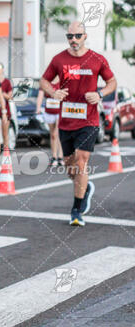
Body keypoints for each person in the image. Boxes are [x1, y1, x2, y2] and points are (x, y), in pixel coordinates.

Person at [40, 21, 116, 226]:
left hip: (88, 121)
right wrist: (53, 92)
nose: (73, 40)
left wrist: (99, 94)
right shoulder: (59, 59)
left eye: (77, 36)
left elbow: (112, 82)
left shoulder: (97, 59)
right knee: (70, 167)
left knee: (82, 162)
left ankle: (76, 210)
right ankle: (85, 188)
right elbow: (44, 81)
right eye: (69, 36)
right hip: (66, 122)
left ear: (85, 36)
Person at [36, 77, 64, 166]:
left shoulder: (62, 82)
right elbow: (40, 96)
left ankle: (60, 157)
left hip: (60, 112)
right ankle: (54, 156)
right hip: (49, 112)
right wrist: (38, 108)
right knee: (53, 135)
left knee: (57, 132)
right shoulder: (46, 83)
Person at [0, 62, 13, 148]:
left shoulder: (7, 82)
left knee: (5, 133)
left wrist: (0, 92)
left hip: (5, 111)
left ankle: (6, 152)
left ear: (2, 70)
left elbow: (10, 97)